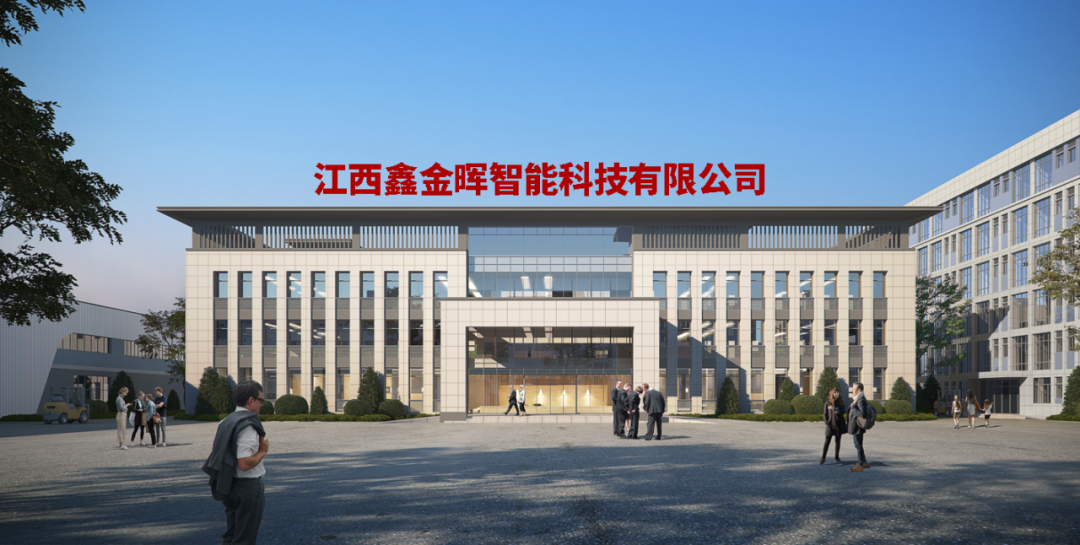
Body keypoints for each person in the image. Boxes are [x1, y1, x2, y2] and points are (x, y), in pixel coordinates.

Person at [203, 380, 269, 545]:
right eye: (260, 400)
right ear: (251, 400)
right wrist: (262, 452)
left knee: (230, 536)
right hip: (247, 487)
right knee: (244, 539)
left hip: (227, 484)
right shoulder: (248, 425)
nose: (262, 404)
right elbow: (244, 463)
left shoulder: (225, 421)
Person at [847, 382, 870, 472]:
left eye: (854, 388)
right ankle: (863, 462)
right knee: (859, 445)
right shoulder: (858, 398)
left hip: (857, 427)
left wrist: (853, 407)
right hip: (857, 426)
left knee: (858, 446)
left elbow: (862, 414)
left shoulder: (860, 400)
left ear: (859, 390)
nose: (852, 390)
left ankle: (860, 465)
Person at [821, 388, 846, 464]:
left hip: (839, 424)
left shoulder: (841, 402)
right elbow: (825, 414)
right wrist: (827, 422)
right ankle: (823, 457)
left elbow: (843, 411)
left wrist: (835, 409)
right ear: (832, 394)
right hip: (830, 424)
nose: (836, 394)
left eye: (837, 392)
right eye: (835, 393)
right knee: (827, 441)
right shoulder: (827, 403)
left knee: (838, 441)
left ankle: (837, 457)